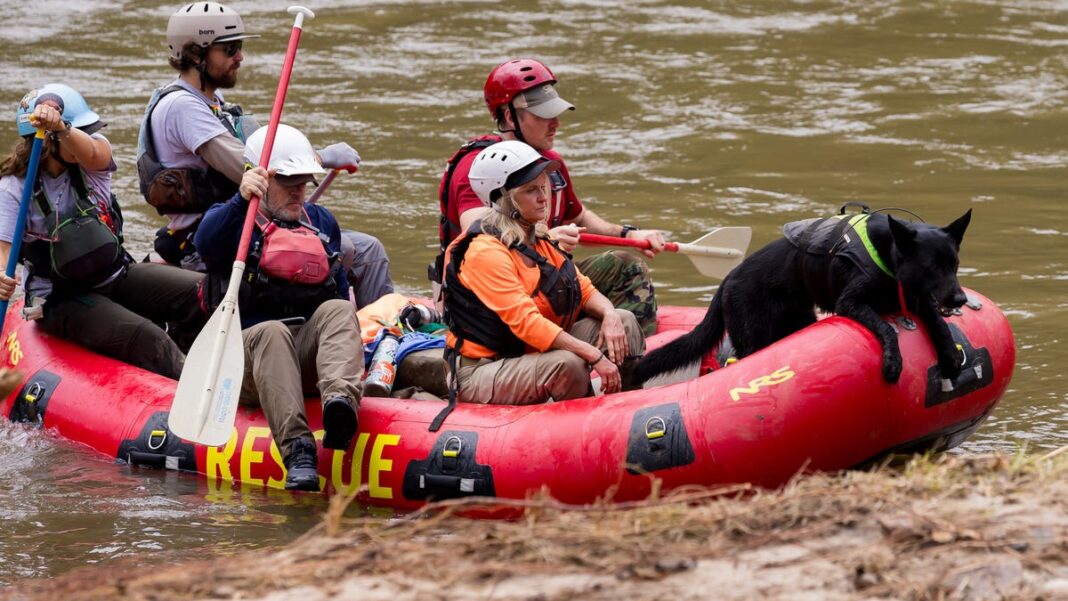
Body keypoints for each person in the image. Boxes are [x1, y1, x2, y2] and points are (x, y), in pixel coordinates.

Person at [139, 1, 393, 308]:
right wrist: (320, 157)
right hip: (211, 239)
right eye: (229, 49)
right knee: (347, 249)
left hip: (253, 221)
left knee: (370, 250)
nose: (240, 57)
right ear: (196, 54)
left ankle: (381, 334)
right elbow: (252, 166)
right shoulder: (182, 107)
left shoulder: (211, 99)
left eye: (239, 47)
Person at [434, 58, 665, 335]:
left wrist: (628, 235)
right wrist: (544, 239)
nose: (555, 123)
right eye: (543, 115)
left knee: (626, 266)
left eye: (555, 113)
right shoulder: (479, 167)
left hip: (543, 274)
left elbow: (578, 216)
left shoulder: (549, 164)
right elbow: (479, 231)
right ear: (509, 116)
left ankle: (628, 353)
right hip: (487, 290)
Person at [194, 124, 363, 492]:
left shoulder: (320, 222)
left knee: (337, 309)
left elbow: (343, 291)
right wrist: (242, 200)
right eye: (288, 182)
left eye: (303, 182)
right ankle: (298, 450)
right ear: (259, 177)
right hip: (246, 362)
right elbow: (204, 244)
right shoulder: (231, 219)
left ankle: (339, 404)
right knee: (273, 332)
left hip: (301, 356)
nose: (299, 191)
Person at [0, 84, 204, 379]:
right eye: (72, 131)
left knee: (202, 292)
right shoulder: (12, 188)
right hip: (60, 300)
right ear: (47, 145)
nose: (88, 135)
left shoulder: (91, 162)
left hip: (115, 274)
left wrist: (63, 128)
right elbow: (4, 253)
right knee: (148, 337)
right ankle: (186, 385)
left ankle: (197, 364)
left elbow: (95, 152)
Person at [441, 140, 645, 408]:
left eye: (543, 186)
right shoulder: (484, 251)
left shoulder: (538, 237)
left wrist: (608, 314)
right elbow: (527, 324)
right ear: (504, 199)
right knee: (568, 363)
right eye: (530, 190)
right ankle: (586, 430)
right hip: (481, 370)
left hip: (527, 353)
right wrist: (593, 355)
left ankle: (629, 408)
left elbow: (583, 290)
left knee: (624, 319)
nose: (543, 197)